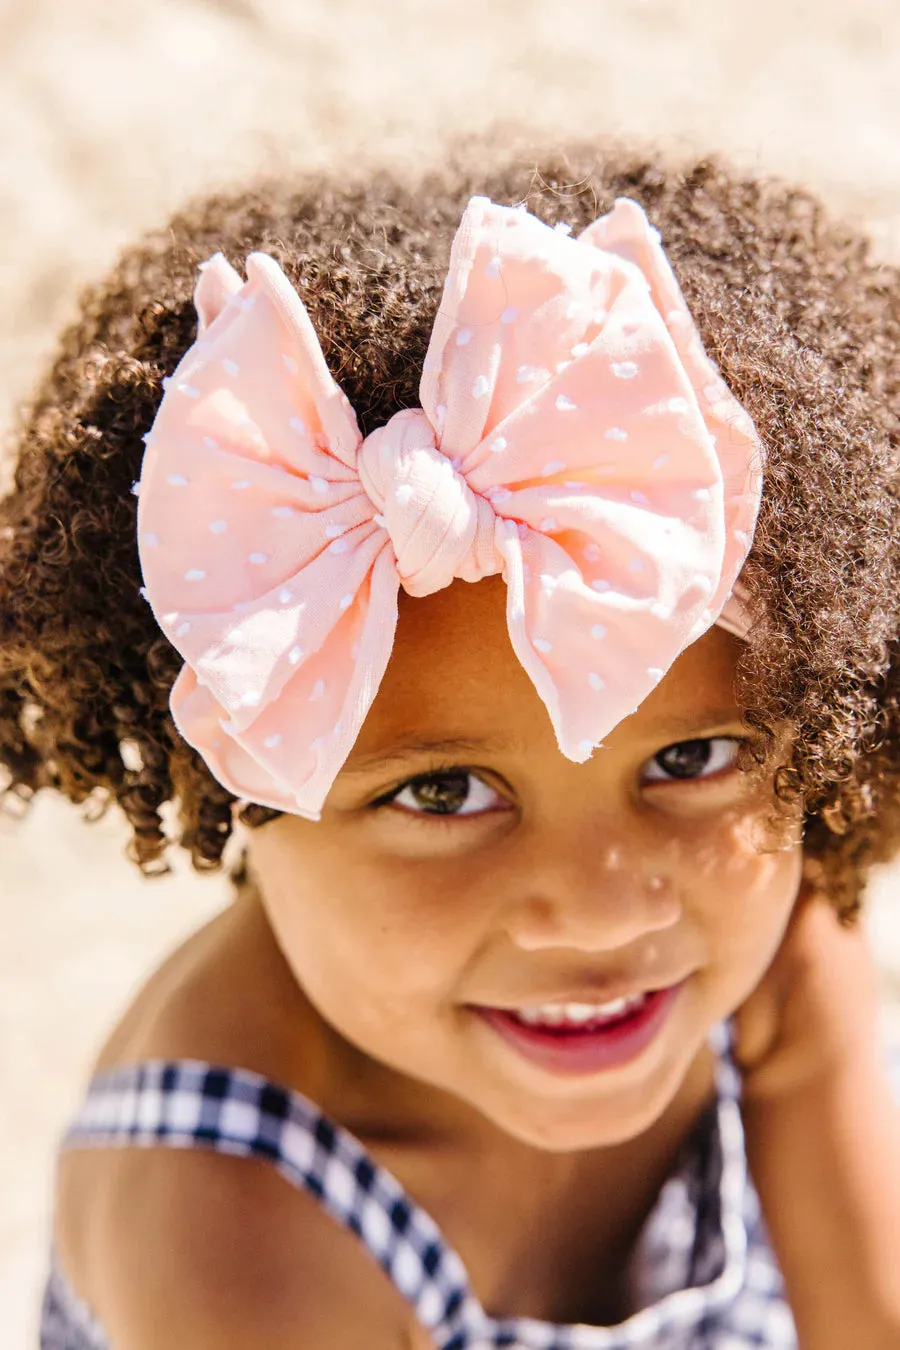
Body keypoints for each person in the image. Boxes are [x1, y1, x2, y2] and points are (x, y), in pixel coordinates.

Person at [4, 137, 900, 1350]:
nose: (598, 912)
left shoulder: (775, 950)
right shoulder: (230, 1232)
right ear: (241, 777)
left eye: (686, 762)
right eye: (442, 788)